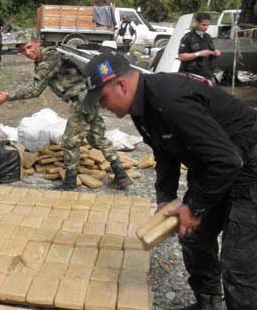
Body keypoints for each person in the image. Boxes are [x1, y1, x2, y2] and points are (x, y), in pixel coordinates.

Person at [82, 50, 257, 310]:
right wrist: (166, 198)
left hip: (249, 167)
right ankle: (207, 303)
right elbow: (164, 152)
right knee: (193, 236)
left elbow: (229, 160)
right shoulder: (141, 108)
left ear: (121, 85)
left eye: (102, 98)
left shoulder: (170, 99)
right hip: (214, 165)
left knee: (238, 263)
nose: (101, 106)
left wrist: (195, 206)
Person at [0, 37, 132, 191]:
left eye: (29, 47)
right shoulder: (50, 57)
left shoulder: (49, 60)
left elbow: (35, 90)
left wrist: (8, 96)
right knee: (96, 138)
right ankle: (121, 175)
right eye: (23, 50)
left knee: (69, 141)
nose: (28, 52)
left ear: (38, 43)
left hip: (82, 100)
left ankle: (70, 183)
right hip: (90, 96)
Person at [178, 12, 222, 81]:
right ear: (196, 23)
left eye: (208, 25)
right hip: (190, 76)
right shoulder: (188, 37)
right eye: (203, 25)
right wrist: (198, 54)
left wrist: (215, 53)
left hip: (206, 75)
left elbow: (210, 56)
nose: (206, 27)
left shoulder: (208, 37)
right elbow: (181, 57)